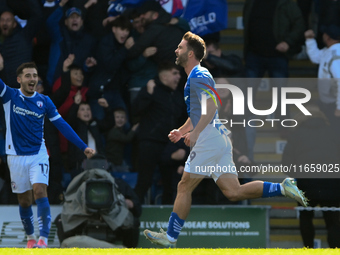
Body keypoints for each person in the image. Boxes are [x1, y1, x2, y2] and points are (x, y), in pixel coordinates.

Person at [143, 31, 308, 248]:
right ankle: (283, 187)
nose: (176, 50)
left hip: (209, 138)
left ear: (191, 53)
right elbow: (198, 114)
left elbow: (212, 107)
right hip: (217, 138)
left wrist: (197, 134)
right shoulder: (194, 77)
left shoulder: (199, 76)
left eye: (180, 47)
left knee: (184, 187)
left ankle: (171, 237)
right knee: (234, 192)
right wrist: (182, 131)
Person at [0, 62, 96, 248]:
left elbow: (62, 126)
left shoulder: (44, 101)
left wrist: (83, 146)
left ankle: (43, 239)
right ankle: (30, 238)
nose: (32, 79)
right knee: (25, 200)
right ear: (19, 79)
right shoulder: (10, 95)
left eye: (35, 76)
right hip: (15, 156)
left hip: (38, 154)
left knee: (39, 191)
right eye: (28, 76)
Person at [282, 108, 340, 248]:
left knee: (306, 217)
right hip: (332, 183)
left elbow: (286, 164)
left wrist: (298, 176)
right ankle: (335, 250)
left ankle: (308, 249)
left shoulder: (295, 135)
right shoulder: (334, 133)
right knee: (333, 220)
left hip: (306, 183)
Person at [304, 25, 340, 136]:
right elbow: (316, 57)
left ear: (328, 37)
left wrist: (339, 108)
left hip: (334, 105)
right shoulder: (328, 51)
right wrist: (310, 40)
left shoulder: (336, 55)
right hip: (328, 103)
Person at [106, 108, 139, 172]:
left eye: (122, 117)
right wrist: (133, 129)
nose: (120, 119)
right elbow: (127, 139)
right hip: (113, 162)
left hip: (118, 160)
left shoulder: (120, 131)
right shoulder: (114, 132)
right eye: (117, 117)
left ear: (126, 120)